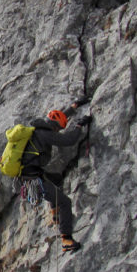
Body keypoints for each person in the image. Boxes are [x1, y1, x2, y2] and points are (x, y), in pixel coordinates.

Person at [19, 97, 91, 252]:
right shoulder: (46, 135)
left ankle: (55, 211)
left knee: (57, 178)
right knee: (65, 202)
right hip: (33, 181)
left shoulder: (39, 130)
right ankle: (66, 238)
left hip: (31, 175)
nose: (58, 131)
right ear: (54, 126)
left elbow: (58, 120)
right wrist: (79, 125)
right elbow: (68, 140)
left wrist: (74, 107)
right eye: (58, 129)